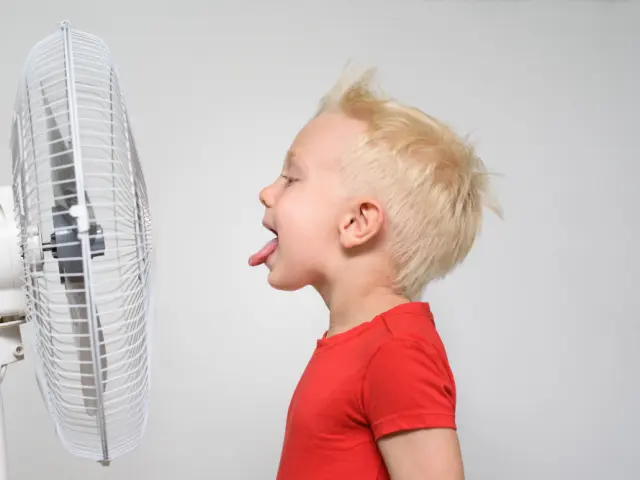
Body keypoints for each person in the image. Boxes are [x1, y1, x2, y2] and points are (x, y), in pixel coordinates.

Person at [248, 67, 501, 480]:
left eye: (291, 178)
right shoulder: (354, 344)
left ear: (357, 223)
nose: (266, 192)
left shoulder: (396, 350)